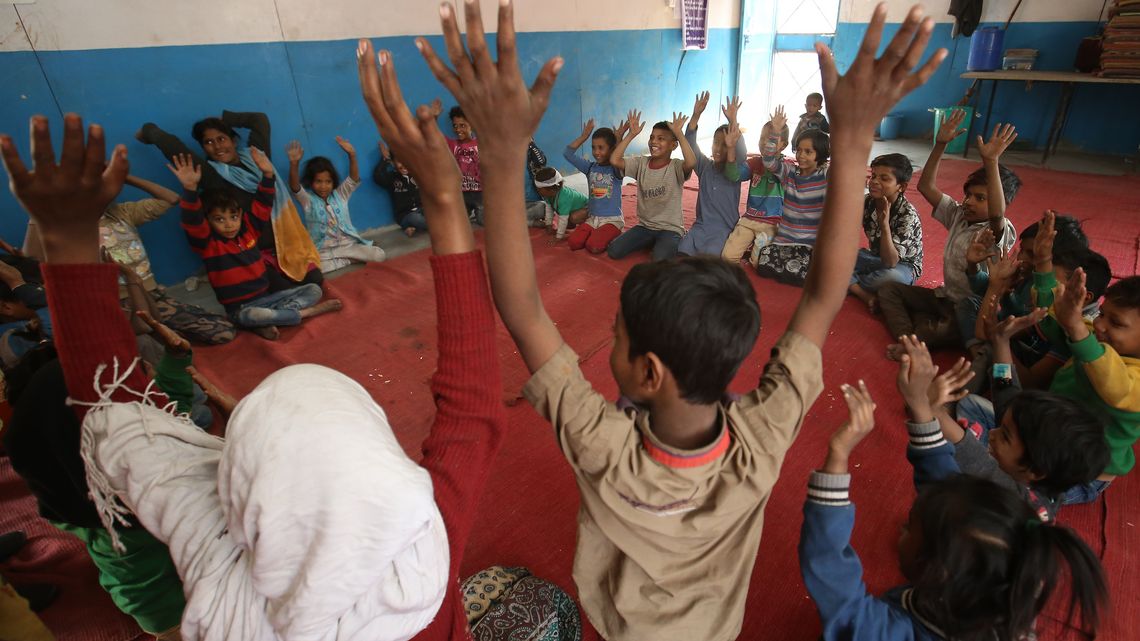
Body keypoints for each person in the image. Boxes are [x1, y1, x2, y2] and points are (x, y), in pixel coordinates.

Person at [448, 1, 947, 637]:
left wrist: (499, 152)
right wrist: (854, 142)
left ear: (649, 372)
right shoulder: (763, 438)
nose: (610, 346)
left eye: (617, 340)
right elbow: (824, 297)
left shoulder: (607, 449)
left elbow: (519, 308)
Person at [800, 380, 1107, 641]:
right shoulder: (1007, 587)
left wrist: (838, 459)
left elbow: (836, 586)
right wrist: (921, 408)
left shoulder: (893, 631)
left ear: (939, 570)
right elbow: (944, 486)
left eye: (912, 528)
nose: (903, 527)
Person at [896, 333, 1107, 523]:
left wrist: (927, 408)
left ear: (1036, 470)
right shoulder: (1038, 472)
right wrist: (1001, 341)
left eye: (1005, 436)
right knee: (971, 406)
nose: (993, 434)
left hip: (972, 550)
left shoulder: (1021, 501)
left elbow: (975, 458)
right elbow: (1007, 392)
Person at [23, 174, 237, 345]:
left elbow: (170, 199)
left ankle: (162, 330)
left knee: (223, 331)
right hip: (113, 305)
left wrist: (127, 177)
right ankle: (151, 334)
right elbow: (31, 259)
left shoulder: (121, 213)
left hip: (151, 295)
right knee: (146, 348)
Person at [879, 117, 1020, 358]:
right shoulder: (958, 214)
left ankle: (919, 336)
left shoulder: (999, 229)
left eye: (980, 198)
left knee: (936, 331)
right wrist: (940, 144)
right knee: (888, 290)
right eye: (968, 195)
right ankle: (908, 337)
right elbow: (925, 187)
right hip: (945, 297)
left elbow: (997, 213)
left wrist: (991, 161)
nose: (969, 202)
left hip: (970, 310)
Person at [137, 111, 323, 288]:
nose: (217, 146)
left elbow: (260, 120)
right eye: (208, 142)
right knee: (281, 288)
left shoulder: (257, 156)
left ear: (233, 140)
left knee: (315, 279)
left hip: (287, 246)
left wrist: (225, 118)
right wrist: (149, 131)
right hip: (251, 255)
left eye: (221, 138)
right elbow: (173, 146)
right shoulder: (211, 175)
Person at [168, 151, 341, 340]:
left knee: (313, 290)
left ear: (241, 215)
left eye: (233, 217)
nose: (229, 224)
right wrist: (190, 189)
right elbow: (191, 222)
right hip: (241, 309)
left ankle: (271, 320)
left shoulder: (249, 230)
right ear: (208, 221)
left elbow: (263, 203)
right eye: (219, 219)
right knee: (251, 315)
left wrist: (268, 175)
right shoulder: (209, 244)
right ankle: (304, 314)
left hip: (269, 299)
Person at [1033, 263, 1140, 504]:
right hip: (1050, 439)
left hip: (1084, 473)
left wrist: (1077, 328)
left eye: (1117, 322)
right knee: (972, 407)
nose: (1100, 325)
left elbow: (1116, 386)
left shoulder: (1133, 381)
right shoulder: (1095, 338)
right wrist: (1042, 265)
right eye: (1102, 314)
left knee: (1023, 495)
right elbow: (1053, 318)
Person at [753, 106, 829, 286]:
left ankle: (795, 270)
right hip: (785, 240)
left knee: (799, 271)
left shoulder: (825, 177)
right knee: (763, 263)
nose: (801, 156)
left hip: (808, 244)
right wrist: (776, 132)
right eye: (799, 150)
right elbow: (769, 161)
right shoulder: (789, 173)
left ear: (821, 155)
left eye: (808, 152)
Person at [606, 111, 696, 261]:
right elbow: (615, 160)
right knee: (614, 250)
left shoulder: (676, 167)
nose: (654, 142)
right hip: (645, 227)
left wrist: (679, 134)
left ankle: (666, 242)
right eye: (652, 137)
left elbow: (691, 162)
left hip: (670, 229)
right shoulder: (641, 163)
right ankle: (652, 241)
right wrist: (631, 135)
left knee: (659, 260)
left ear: (673, 145)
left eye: (661, 139)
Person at [286, 137, 387, 273]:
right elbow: (295, 187)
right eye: (318, 181)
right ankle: (348, 260)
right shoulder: (308, 200)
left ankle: (345, 259)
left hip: (348, 246)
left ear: (333, 182)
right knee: (311, 269)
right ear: (311, 182)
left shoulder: (341, 195)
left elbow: (353, 179)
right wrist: (294, 164)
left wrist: (352, 155)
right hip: (323, 251)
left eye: (328, 182)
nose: (323, 186)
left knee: (379, 255)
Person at [676, 92, 749, 256]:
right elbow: (690, 144)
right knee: (682, 250)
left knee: (709, 257)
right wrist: (696, 115)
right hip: (700, 227)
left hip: (724, 229)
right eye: (716, 143)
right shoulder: (704, 166)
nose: (718, 148)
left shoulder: (735, 170)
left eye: (725, 145)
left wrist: (733, 121)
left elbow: (742, 152)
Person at [849, 153, 922, 312]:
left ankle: (847, 283)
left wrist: (884, 225)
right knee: (828, 255)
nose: (874, 181)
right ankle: (864, 294)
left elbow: (890, 262)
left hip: (902, 266)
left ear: (901, 187)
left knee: (891, 279)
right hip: (874, 257)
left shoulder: (907, 215)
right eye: (873, 175)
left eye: (884, 178)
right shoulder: (868, 201)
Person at [721, 119, 788, 265]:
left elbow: (770, 163)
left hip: (771, 222)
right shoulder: (754, 163)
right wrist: (731, 148)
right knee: (727, 258)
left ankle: (756, 249)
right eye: (763, 138)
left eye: (772, 139)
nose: (765, 142)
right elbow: (733, 175)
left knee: (759, 263)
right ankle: (754, 246)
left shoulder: (785, 167)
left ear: (783, 145)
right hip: (749, 219)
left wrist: (775, 132)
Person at [563, 119, 627, 253]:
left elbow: (617, 158)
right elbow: (567, 154)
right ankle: (597, 233)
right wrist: (583, 137)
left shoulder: (616, 169)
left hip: (612, 220)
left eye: (601, 147)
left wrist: (619, 141)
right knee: (573, 243)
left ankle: (612, 232)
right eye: (593, 147)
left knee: (594, 246)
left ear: (611, 149)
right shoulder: (590, 167)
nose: (596, 152)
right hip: (592, 219)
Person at [373, 139, 426, 237]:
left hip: (422, 210)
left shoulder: (417, 174)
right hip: (406, 215)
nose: (404, 165)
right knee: (417, 219)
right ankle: (410, 226)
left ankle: (411, 228)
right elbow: (378, 177)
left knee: (434, 214)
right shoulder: (393, 178)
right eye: (399, 162)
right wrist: (384, 159)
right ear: (393, 163)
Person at [447, 105, 484, 223]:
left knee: (483, 220)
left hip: (481, 193)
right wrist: (434, 117)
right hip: (462, 194)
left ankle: (534, 216)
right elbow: (435, 137)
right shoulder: (453, 145)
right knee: (456, 222)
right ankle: (472, 213)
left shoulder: (481, 143)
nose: (458, 129)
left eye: (462, 125)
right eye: (455, 126)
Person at [534, 168, 588, 241]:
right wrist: (548, 225)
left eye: (539, 189)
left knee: (574, 218)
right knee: (568, 225)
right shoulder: (548, 194)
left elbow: (563, 219)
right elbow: (549, 209)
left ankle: (587, 226)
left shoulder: (564, 197)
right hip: (573, 210)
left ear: (551, 189)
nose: (537, 191)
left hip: (588, 210)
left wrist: (559, 236)